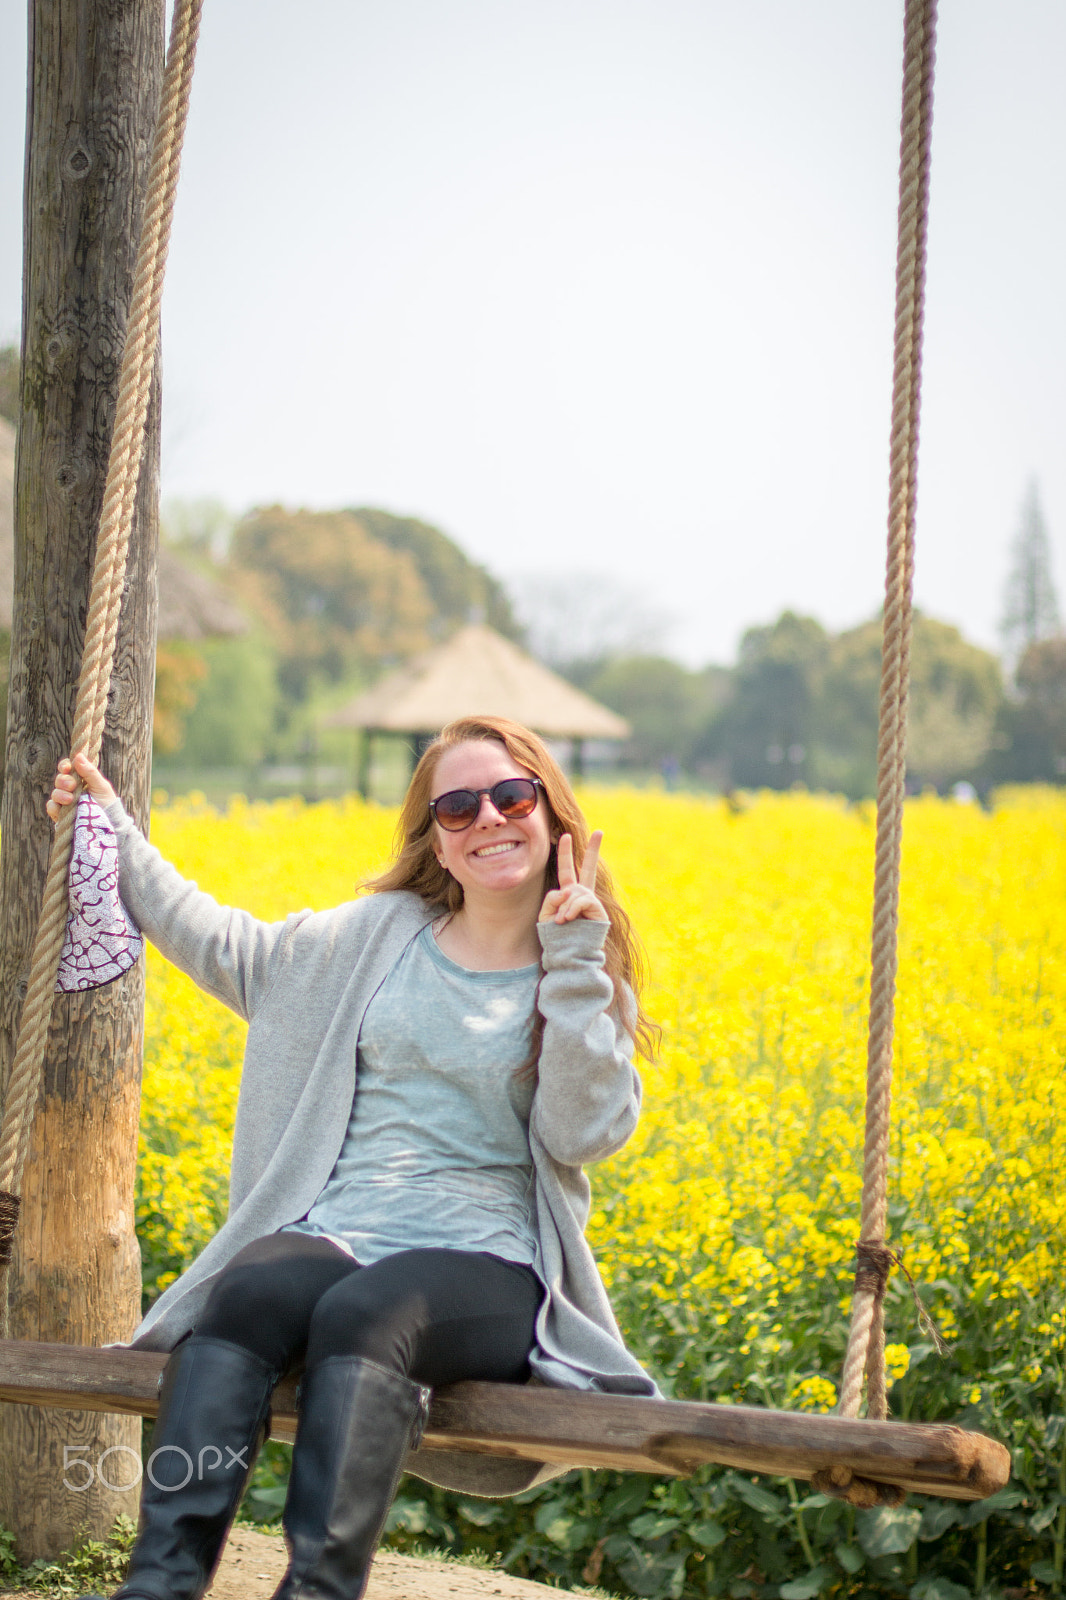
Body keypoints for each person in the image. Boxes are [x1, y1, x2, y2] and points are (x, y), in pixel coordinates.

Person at [48, 715, 658, 1600]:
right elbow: (232, 947)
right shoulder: (380, 936)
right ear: (437, 844)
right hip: (343, 1228)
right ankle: (159, 1585)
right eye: (458, 807)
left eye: (511, 794)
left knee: (366, 1313)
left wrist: (573, 960)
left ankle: (317, 1591)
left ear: (552, 817)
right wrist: (115, 832)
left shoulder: (580, 975)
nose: (488, 816)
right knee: (249, 1290)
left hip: (489, 1260)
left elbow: (582, 1133)